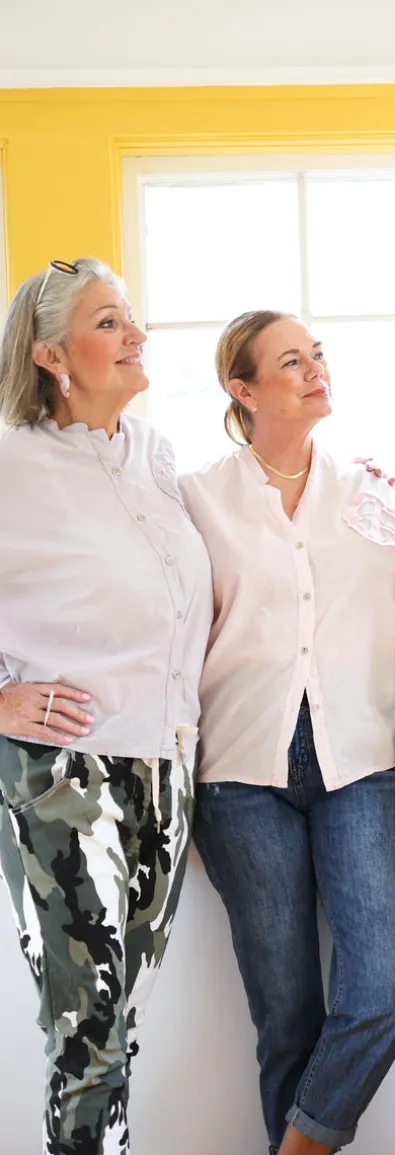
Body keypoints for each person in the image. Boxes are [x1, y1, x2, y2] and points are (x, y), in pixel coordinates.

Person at [179, 310, 395, 1155]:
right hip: (241, 770)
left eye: (317, 355)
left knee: (384, 995)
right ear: (242, 390)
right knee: (286, 1015)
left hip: (360, 760)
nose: (316, 369)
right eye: (291, 361)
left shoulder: (371, 490)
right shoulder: (195, 496)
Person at [0, 257, 213, 1155]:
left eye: (132, 316)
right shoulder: (10, 461)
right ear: (51, 355)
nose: (136, 334)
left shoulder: (154, 456)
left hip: (166, 764)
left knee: (119, 1026)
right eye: (108, 321)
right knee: (86, 1037)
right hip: (64, 771)